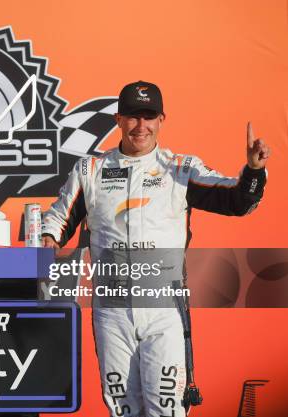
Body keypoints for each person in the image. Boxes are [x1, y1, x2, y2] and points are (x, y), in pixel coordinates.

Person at [42, 81, 270, 417]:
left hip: (164, 309)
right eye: (133, 116)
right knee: (123, 409)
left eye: (149, 117)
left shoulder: (181, 168)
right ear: (118, 119)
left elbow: (236, 201)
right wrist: (46, 242)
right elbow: (57, 222)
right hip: (111, 309)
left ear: (162, 119)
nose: (140, 126)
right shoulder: (90, 170)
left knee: (168, 409)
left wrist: (253, 170)